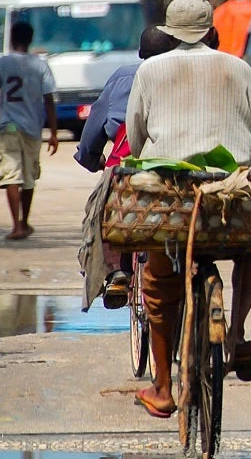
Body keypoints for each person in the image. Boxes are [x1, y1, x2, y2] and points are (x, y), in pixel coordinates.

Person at [127, 0, 251, 419]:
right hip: (231, 194)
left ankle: (161, 387)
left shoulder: (150, 69)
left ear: (171, 33)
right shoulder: (240, 68)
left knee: (158, 286)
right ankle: (237, 334)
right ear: (213, 32)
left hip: (172, 197)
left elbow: (136, 138)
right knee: (250, 253)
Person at [74, 27, 180, 310]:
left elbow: (96, 124)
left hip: (125, 167)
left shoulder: (124, 77)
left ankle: (117, 271)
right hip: (175, 163)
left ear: (141, 54)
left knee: (105, 212)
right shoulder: (181, 75)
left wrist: (89, 157)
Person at [0, 22, 59, 241]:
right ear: (31, 40)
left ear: (11, 38)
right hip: (32, 128)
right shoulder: (41, 65)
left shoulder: (2, 64)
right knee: (30, 176)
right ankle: (24, 222)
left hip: (8, 127)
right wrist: (53, 132)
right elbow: (49, 99)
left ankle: (16, 226)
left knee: (11, 173)